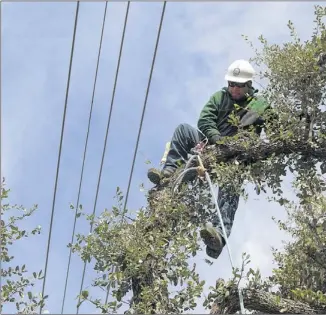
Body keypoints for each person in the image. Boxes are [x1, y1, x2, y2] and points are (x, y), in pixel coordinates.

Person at [147, 59, 270, 259]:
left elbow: (276, 125)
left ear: (248, 85)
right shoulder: (220, 97)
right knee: (183, 130)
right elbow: (205, 119)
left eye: (238, 85)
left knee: (230, 187)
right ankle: (169, 172)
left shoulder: (259, 105)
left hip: (236, 158)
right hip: (211, 146)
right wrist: (216, 139)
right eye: (231, 84)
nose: (234, 89)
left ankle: (218, 237)